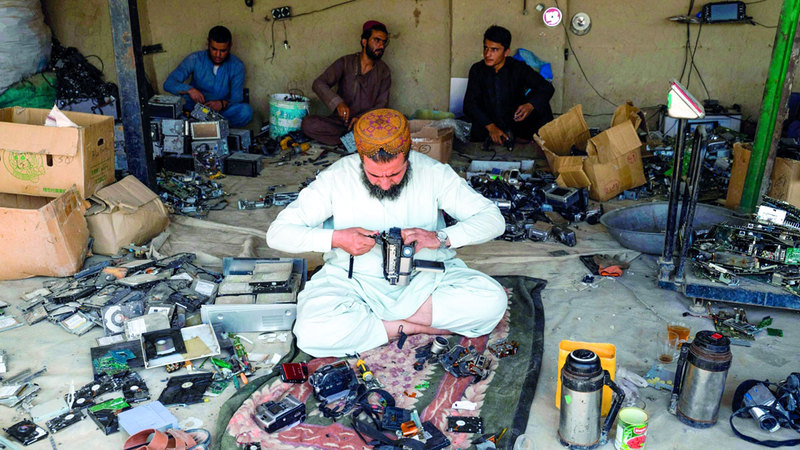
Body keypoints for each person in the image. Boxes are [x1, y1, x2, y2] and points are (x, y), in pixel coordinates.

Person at [267, 109, 507, 357]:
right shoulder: (336, 178)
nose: (384, 183)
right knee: (310, 331)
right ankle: (408, 327)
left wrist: (439, 238)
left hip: (425, 280)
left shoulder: (434, 173)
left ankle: (374, 324)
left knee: (492, 301)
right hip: (354, 282)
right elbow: (278, 233)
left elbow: (493, 219)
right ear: (361, 159)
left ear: (408, 157)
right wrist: (336, 239)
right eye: (374, 175)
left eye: (394, 174)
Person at [301, 20, 392, 145]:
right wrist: (338, 103)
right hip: (339, 122)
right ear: (364, 42)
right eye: (377, 40)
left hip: (365, 124)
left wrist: (362, 119)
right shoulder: (345, 62)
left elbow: (382, 105)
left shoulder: (384, 71)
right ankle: (349, 142)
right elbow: (318, 84)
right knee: (308, 124)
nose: (381, 46)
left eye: (384, 42)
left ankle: (349, 141)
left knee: (387, 128)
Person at [463, 25, 554, 145]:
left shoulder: (518, 68)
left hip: (515, 122)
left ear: (506, 52)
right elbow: (469, 104)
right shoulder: (477, 70)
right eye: (485, 48)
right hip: (488, 124)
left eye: (494, 50)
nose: (487, 54)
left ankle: (528, 140)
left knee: (541, 103)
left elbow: (547, 87)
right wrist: (490, 127)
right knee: (472, 118)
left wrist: (530, 105)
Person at [163, 26, 253, 127]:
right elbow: (168, 84)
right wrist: (189, 90)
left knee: (246, 111)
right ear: (208, 43)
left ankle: (215, 127)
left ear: (230, 46)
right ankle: (207, 126)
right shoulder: (195, 59)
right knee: (175, 118)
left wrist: (222, 104)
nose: (218, 55)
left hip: (222, 113)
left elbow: (236, 99)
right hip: (195, 111)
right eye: (214, 49)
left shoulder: (237, 66)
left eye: (223, 51)